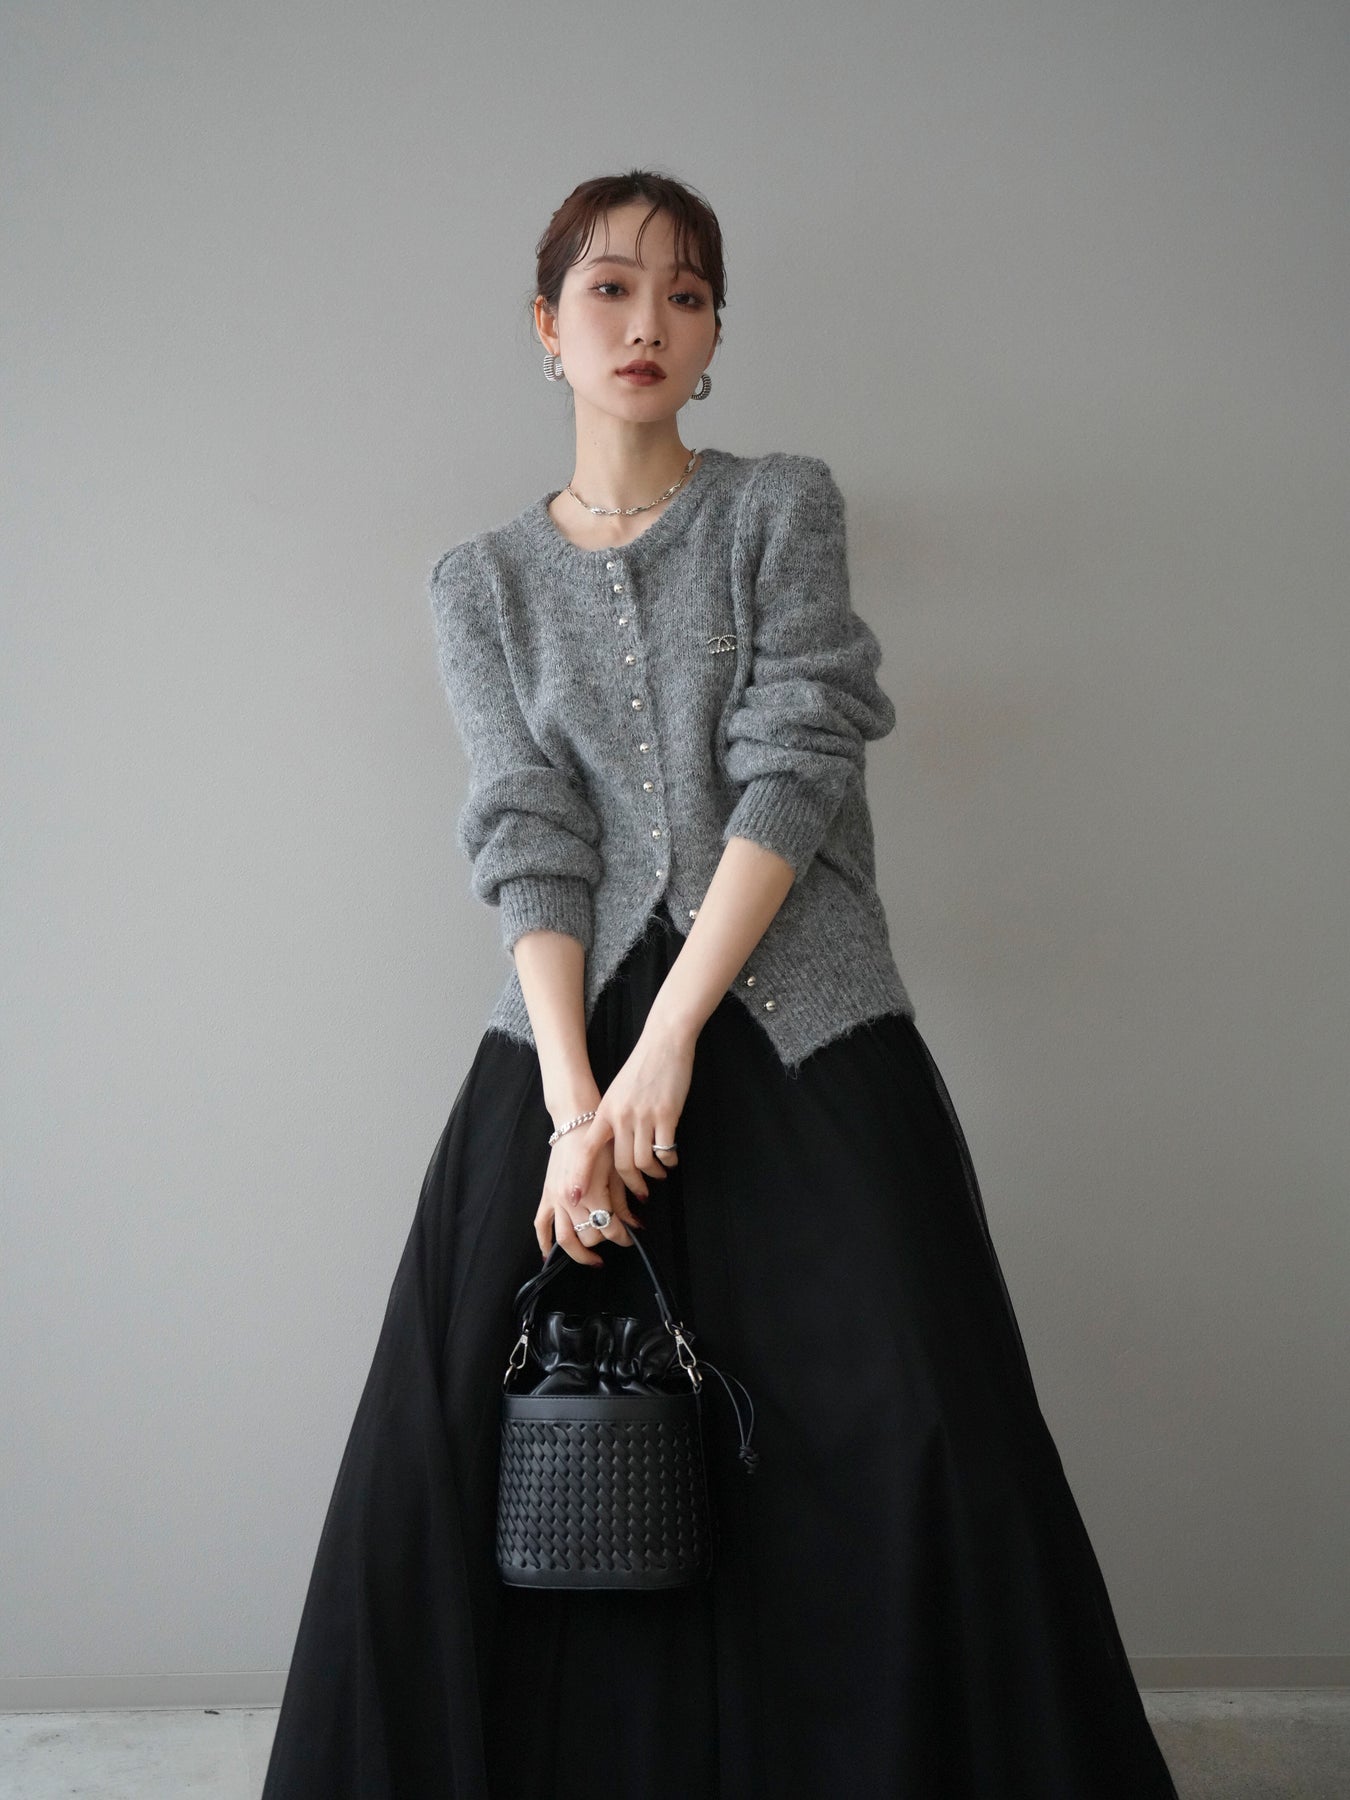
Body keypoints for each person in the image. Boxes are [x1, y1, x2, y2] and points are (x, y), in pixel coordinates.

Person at [260, 169, 1181, 1799]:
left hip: (799, 1017)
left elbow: (798, 758)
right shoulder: (478, 582)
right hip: (560, 1044)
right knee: (455, 1447)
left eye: (685, 296)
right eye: (610, 290)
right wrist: (573, 1108)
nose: (648, 323)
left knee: (912, 1422)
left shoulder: (779, 507)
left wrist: (672, 1034)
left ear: (712, 336)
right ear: (546, 327)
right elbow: (527, 833)